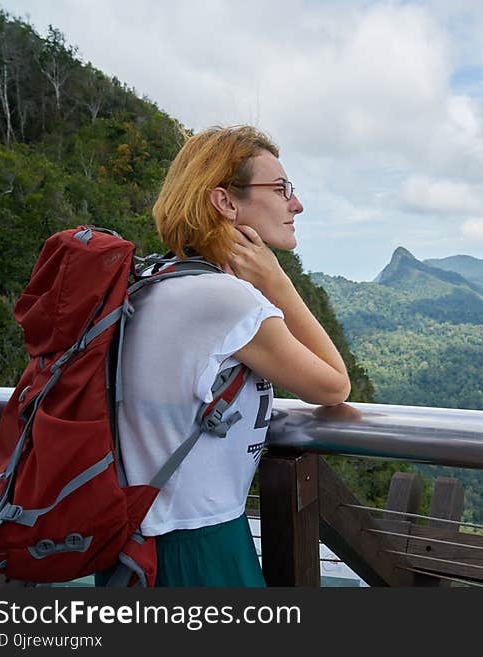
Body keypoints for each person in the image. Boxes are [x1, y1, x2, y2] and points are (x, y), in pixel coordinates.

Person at [113, 125, 351, 587]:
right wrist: (276, 282)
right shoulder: (225, 301)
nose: (295, 204)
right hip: (196, 543)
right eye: (281, 189)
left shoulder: (155, 279)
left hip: (140, 538)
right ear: (225, 202)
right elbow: (334, 385)